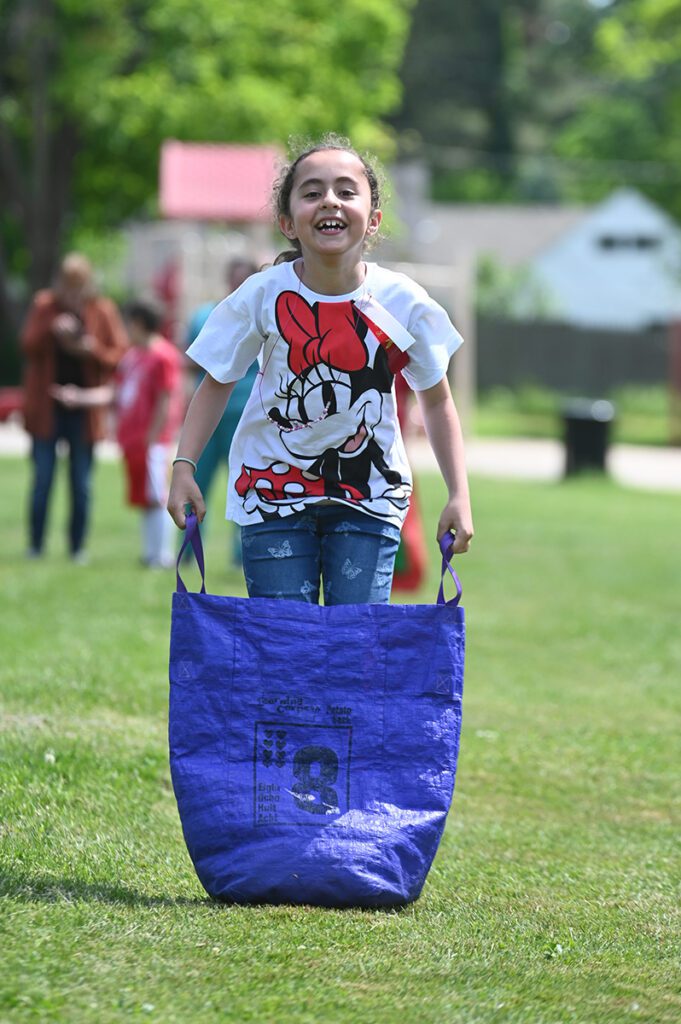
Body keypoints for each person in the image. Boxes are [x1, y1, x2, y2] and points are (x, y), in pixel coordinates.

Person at [168, 134, 473, 604]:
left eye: (346, 191)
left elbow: (436, 401)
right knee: (286, 654)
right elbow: (216, 384)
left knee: (355, 654)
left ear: (373, 220)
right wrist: (184, 466)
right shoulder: (261, 294)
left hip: (370, 501)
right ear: (288, 222)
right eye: (312, 192)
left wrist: (459, 494)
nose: (329, 200)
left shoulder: (404, 303)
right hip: (272, 499)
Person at [21, 253, 128, 562]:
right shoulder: (44, 306)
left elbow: (119, 355)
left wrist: (91, 349)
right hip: (47, 410)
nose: (72, 294)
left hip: (85, 410)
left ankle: (77, 547)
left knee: (81, 484)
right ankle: (36, 545)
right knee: (42, 480)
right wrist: (51, 329)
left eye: (78, 288)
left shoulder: (102, 309)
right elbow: (26, 345)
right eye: (67, 287)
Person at [184, 258, 260, 565]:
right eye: (235, 279)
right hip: (210, 412)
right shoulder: (207, 314)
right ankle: (188, 546)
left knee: (243, 485)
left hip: (246, 412)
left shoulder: (263, 312)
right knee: (196, 479)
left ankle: (243, 554)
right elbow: (189, 356)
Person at [116, 299, 184, 568]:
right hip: (134, 438)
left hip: (153, 439)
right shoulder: (133, 355)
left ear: (138, 323)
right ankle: (149, 552)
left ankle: (163, 554)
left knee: (158, 495)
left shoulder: (163, 355)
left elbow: (166, 397)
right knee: (145, 498)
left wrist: (155, 434)